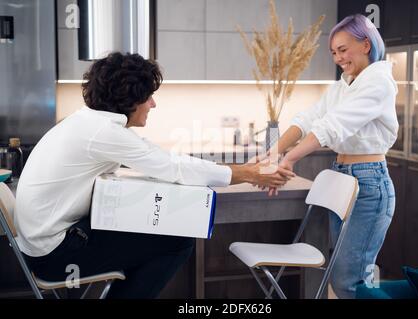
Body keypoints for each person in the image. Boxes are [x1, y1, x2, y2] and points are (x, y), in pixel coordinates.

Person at [14, 52, 294, 299]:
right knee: (178, 240)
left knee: (147, 232)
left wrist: (245, 171)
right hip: (55, 255)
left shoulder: (89, 123)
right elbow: (172, 166)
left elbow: (160, 162)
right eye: (148, 96)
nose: (153, 104)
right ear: (130, 98)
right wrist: (246, 173)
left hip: (43, 245)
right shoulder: (104, 132)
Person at [261, 14, 399, 298]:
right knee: (350, 275)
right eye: (334, 52)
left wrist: (290, 158)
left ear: (365, 44)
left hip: (369, 184)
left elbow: (333, 126)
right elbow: (310, 117)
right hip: (344, 178)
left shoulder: (378, 82)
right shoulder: (344, 85)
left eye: (343, 49)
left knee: (349, 280)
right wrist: (273, 152)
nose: (338, 58)